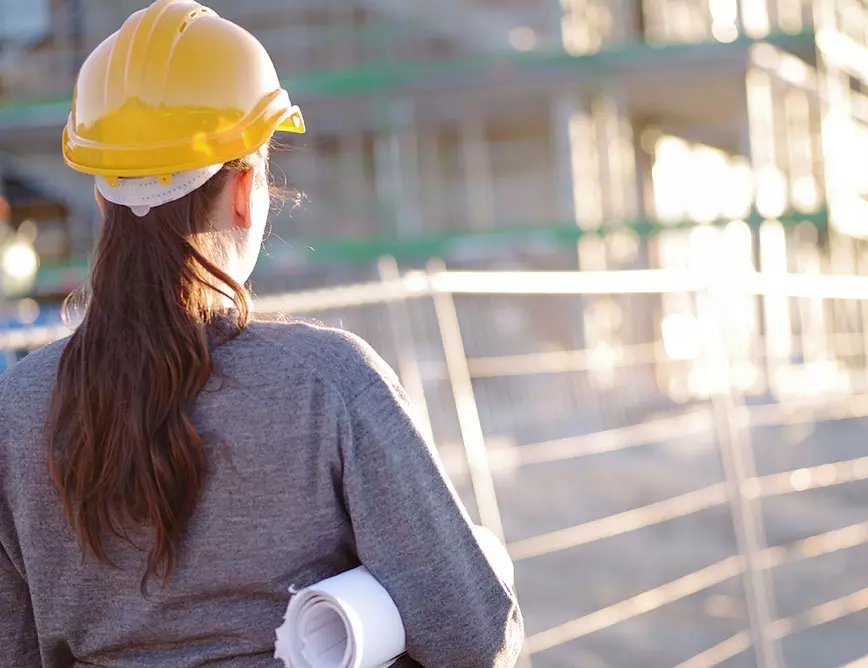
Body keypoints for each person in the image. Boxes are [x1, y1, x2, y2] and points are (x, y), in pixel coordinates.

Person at [0, 1, 524, 667]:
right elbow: (472, 638)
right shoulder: (329, 385)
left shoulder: (18, 409)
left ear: (104, 200)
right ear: (247, 188)